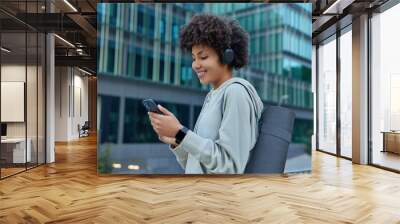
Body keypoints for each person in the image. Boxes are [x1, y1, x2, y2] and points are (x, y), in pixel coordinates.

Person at [148, 14, 263, 174]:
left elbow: (230, 166)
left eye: (203, 57)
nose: (195, 65)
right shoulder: (212, 96)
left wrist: (180, 131)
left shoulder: (236, 93)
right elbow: (194, 165)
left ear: (227, 55)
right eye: (194, 58)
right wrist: (178, 140)